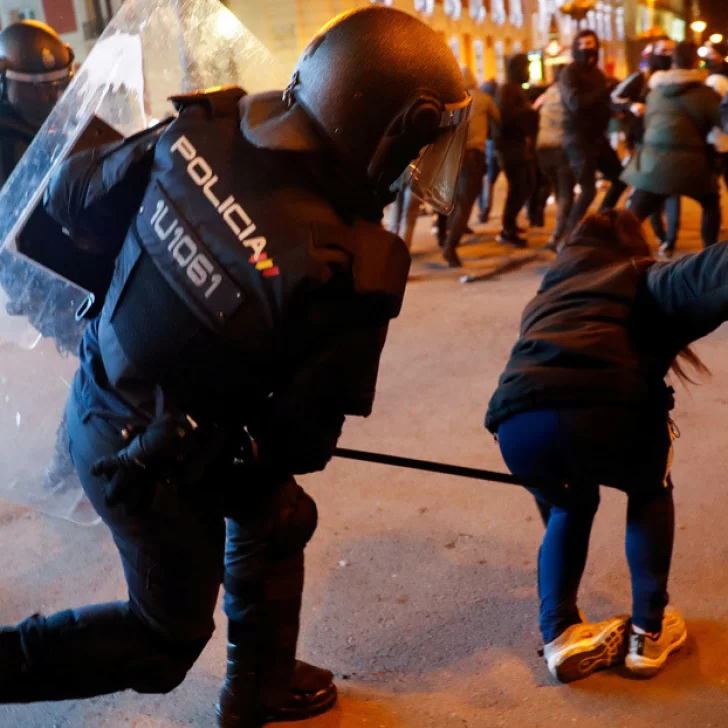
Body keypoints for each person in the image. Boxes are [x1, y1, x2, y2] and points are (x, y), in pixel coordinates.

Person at [0, 7, 471, 727]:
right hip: (147, 470)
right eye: (419, 144)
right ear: (391, 128)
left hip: (95, 397)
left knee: (276, 515)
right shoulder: (356, 265)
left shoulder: (209, 122)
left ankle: (259, 690)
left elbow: (67, 196)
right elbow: (298, 445)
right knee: (163, 644)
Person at [485, 209, 728, 683]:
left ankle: (559, 636)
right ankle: (649, 635)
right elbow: (709, 273)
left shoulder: (545, 298)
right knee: (650, 490)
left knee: (567, 505)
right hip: (609, 411)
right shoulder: (639, 275)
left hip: (516, 425)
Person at [624, 41, 722, 250]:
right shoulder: (705, 94)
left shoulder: (656, 91)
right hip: (691, 163)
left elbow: (648, 121)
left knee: (633, 214)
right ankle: (709, 251)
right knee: (710, 202)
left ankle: (619, 251)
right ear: (696, 61)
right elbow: (723, 123)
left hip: (652, 162)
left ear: (673, 61)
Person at [611, 37, 681, 258]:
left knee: (671, 191)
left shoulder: (679, 79)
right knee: (649, 189)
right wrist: (632, 106)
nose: (666, 55)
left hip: (672, 142)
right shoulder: (641, 78)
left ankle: (670, 239)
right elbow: (615, 97)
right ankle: (659, 235)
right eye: (662, 50)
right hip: (644, 142)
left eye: (671, 51)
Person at [560, 30, 627, 237]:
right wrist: (604, 90)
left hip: (599, 138)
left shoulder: (598, 74)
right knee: (588, 190)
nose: (587, 48)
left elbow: (603, 104)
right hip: (578, 139)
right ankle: (568, 236)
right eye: (582, 44)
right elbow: (575, 103)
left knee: (620, 179)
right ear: (575, 46)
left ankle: (600, 224)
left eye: (591, 43)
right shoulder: (569, 72)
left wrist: (622, 107)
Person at [441, 65, 500, 267]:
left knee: (455, 200)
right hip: (474, 155)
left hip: (453, 155)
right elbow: (498, 120)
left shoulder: (453, 102)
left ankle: (447, 234)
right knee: (465, 204)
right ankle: (450, 247)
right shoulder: (482, 99)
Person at [494, 53, 538, 247]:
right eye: (526, 68)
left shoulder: (515, 90)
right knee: (519, 187)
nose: (528, 72)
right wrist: (531, 111)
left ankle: (510, 224)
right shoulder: (507, 90)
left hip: (517, 145)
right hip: (509, 147)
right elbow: (505, 118)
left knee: (527, 184)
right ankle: (507, 229)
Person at [534, 66, 574, 252]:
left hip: (542, 148)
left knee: (559, 192)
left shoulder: (547, 93)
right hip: (561, 148)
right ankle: (557, 236)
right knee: (566, 194)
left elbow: (534, 110)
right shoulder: (569, 94)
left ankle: (562, 231)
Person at [478, 79, 500, 224]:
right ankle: (485, 208)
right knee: (490, 179)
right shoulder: (493, 104)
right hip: (495, 144)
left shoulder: (479, 103)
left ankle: (484, 208)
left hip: (484, 144)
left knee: (485, 180)